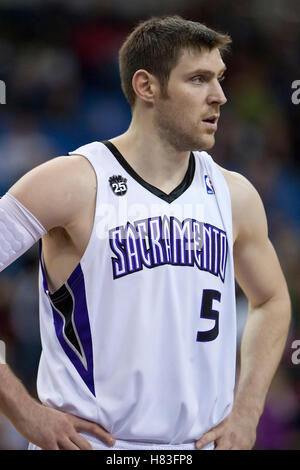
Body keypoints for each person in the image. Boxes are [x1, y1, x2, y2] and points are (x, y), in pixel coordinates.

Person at [0, 15, 291, 451]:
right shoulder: (71, 182)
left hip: (197, 447)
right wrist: (23, 411)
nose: (220, 96)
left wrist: (248, 411)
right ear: (146, 86)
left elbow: (272, 299)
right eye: (199, 79)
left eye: (220, 79)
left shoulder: (235, 195)